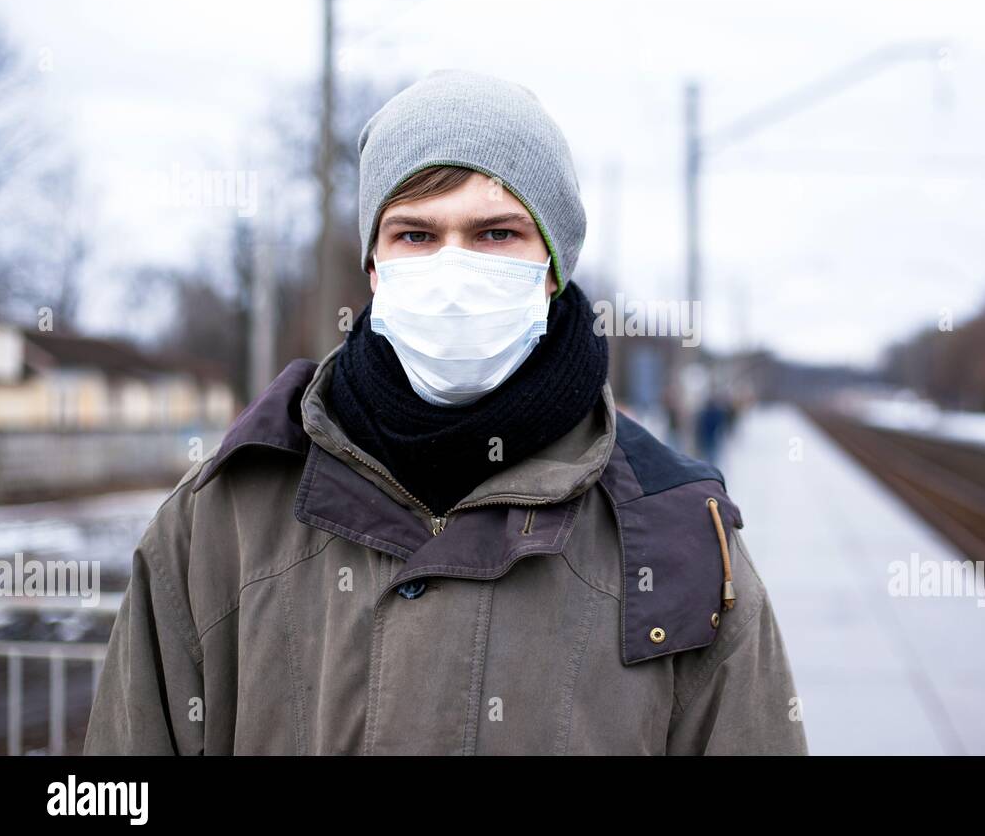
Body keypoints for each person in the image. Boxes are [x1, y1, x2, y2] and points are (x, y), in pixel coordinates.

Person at [83, 69, 808, 755]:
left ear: (553, 267)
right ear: (373, 265)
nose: (453, 270)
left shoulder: (677, 536)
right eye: (416, 235)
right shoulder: (221, 518)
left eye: (496, 234)